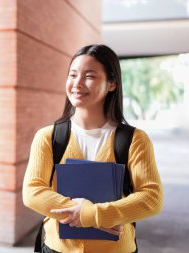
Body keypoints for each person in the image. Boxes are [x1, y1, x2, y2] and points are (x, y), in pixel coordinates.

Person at [22, 44, 163, 253]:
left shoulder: (135, 140)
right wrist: (83, 213)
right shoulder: (48, 137)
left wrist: (93, 215)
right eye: (72, 75)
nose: (77, 83)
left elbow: (151, 198)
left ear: (112, 84)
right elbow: (32, 192)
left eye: (89, 76)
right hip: (57, 249)